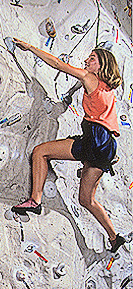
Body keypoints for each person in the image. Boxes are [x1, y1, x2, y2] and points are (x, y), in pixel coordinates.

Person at [11, 41, 125, 253]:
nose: (87, 61)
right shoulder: (108, 89)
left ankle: (35, 200)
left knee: (40, 152)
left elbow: (57, 64)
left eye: (92, 58)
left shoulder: (90, 78)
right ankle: (114, 237)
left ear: (102, 64)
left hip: (93, 140)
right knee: (86, 199)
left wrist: (31, 48)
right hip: (106, 145)